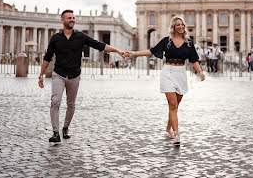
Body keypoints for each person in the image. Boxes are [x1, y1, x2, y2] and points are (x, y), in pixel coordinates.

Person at [38, 9, 128, 143]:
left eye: (73, 18)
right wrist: (41, 75)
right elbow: (47, 57)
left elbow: (99, 45)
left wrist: (117, 50)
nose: (72, 20)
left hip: (74, 75)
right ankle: (55, 133)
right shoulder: (56, 38)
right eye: (69, 18)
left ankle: (65, 127)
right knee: (55, 101)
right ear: (62, 20)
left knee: (71, 104)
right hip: (59, 74)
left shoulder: (80, 36)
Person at [130, 16, 205, 146]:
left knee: (175, 106)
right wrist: (134, 53)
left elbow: (193, 59)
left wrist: (200, 71)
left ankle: (168, 128)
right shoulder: (167, 41)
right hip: (168, 73)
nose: (181, 27)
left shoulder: (188, 42)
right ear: (173, 27)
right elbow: (151, 51)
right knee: (173, 105)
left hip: (181, 73)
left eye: (182, 24)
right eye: (178, 25)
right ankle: (177, 134)